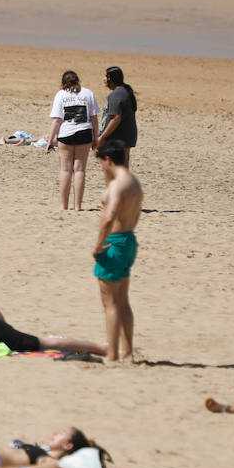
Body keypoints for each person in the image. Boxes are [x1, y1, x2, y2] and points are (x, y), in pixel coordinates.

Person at [94, 140, 143, 363]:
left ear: (109, 160)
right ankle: (128, 352)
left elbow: (109, 217)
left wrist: (98, 246)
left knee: (110, 302)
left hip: (114, 241)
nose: (102, 167)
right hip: (129, 240)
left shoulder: (117, 185)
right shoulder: (134, 182)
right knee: (123, 300)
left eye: (102, 163)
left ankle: (112, 354)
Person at [45, 70, 99, 211]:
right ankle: (78, 207)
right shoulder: (88, 93)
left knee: (65, 170)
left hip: (66, 134)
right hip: (85, 133)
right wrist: (96, 138)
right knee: (80, 170)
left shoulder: (61, 94)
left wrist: (50, 140)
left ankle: (64, 206)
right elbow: (94, 118)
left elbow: (57, 120)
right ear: (78, 80)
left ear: (63, 83)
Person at [97, 65, 138, 164]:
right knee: (123, 165)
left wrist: (102, 137)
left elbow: (115, 118)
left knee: (114, 166)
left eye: (106, 77)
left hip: (118, 137)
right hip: (127, 135)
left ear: (111, 79)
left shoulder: (116, 95)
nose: (104, 79)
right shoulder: (125, 91)